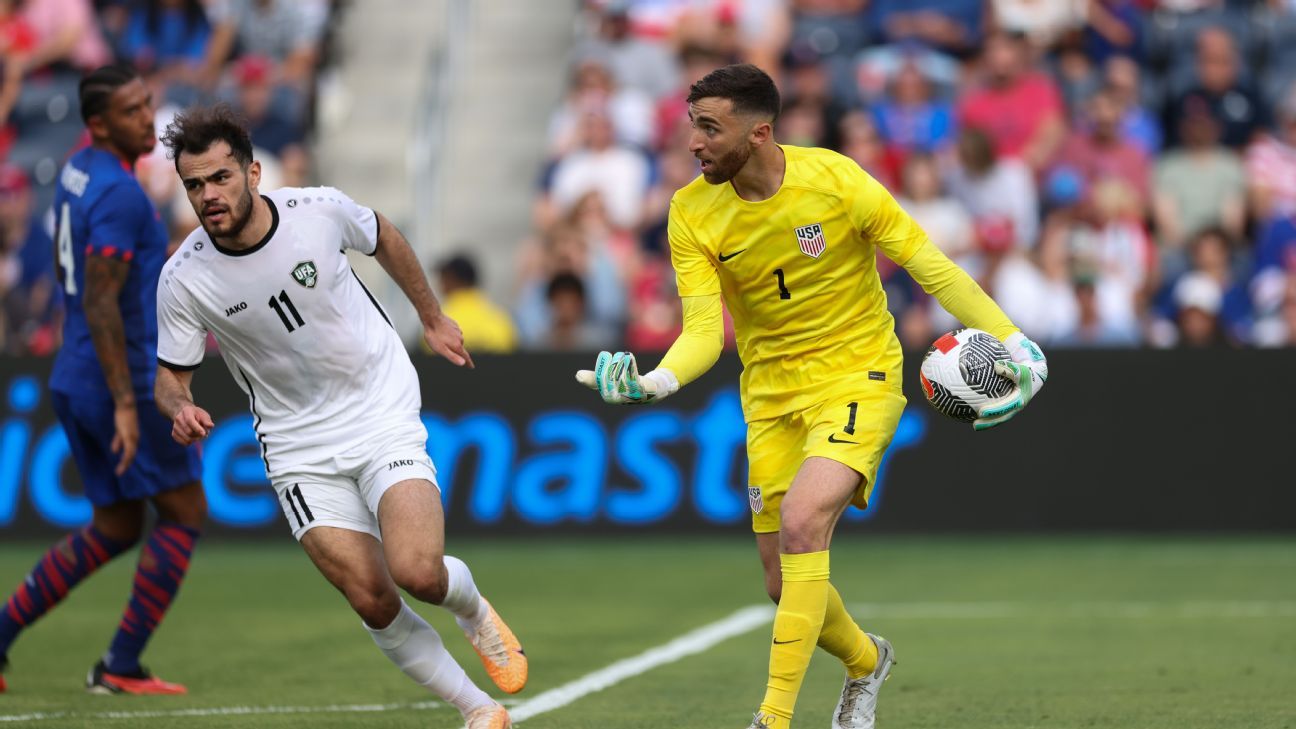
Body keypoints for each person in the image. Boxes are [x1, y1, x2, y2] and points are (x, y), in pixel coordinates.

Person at [576, 64, 1049, 729]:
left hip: (859, 375)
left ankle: (771, 718)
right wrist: (654, 381)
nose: (695, 144)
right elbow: (705, 333)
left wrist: (1012, 337)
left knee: (803, 523)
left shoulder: (837, 181)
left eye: (711, 128)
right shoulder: (691, 212)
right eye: (693, 128)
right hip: (769, 396)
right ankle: (866, 659)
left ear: (760, 131)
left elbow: (928, 263)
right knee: (782, 583)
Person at [153, 104, 523, 729]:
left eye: (220, 177)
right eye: (195, 185)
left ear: (253, 172)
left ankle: (472, 610)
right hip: (296, 445)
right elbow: (170, 376)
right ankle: (478, 710)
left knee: (416, 573)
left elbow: (384, 236)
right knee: (372, 597)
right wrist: (180, 406)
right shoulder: (184, 278)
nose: (208, 195)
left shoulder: (315, 211)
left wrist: (432, 318)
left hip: (379, 408)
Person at [0, 65, 205, 695]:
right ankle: (120, 664)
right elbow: (100, 299)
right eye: (132, 111)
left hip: (75, 373)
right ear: (98, 124)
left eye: (147, 104)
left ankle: (2, 633)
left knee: (116, 527)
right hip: (124, 379)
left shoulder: (77, 167)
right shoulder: (119, 193)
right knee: (185, 512)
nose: (149, 118)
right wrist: (125, 402)